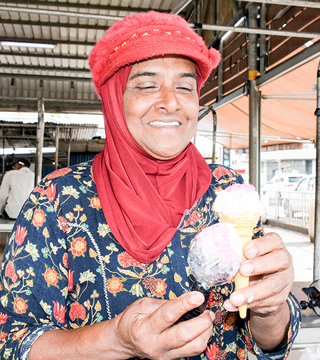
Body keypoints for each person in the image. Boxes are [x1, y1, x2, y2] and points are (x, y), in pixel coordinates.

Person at [0, 11, 301, 360]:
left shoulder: (227, 191)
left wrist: (271, 309)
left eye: (185, 87)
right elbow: (11, 343)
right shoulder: (56, 201)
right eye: (146, 85)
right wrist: (116, 339)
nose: (171, 102)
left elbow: (267, 339)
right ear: (115, 99)